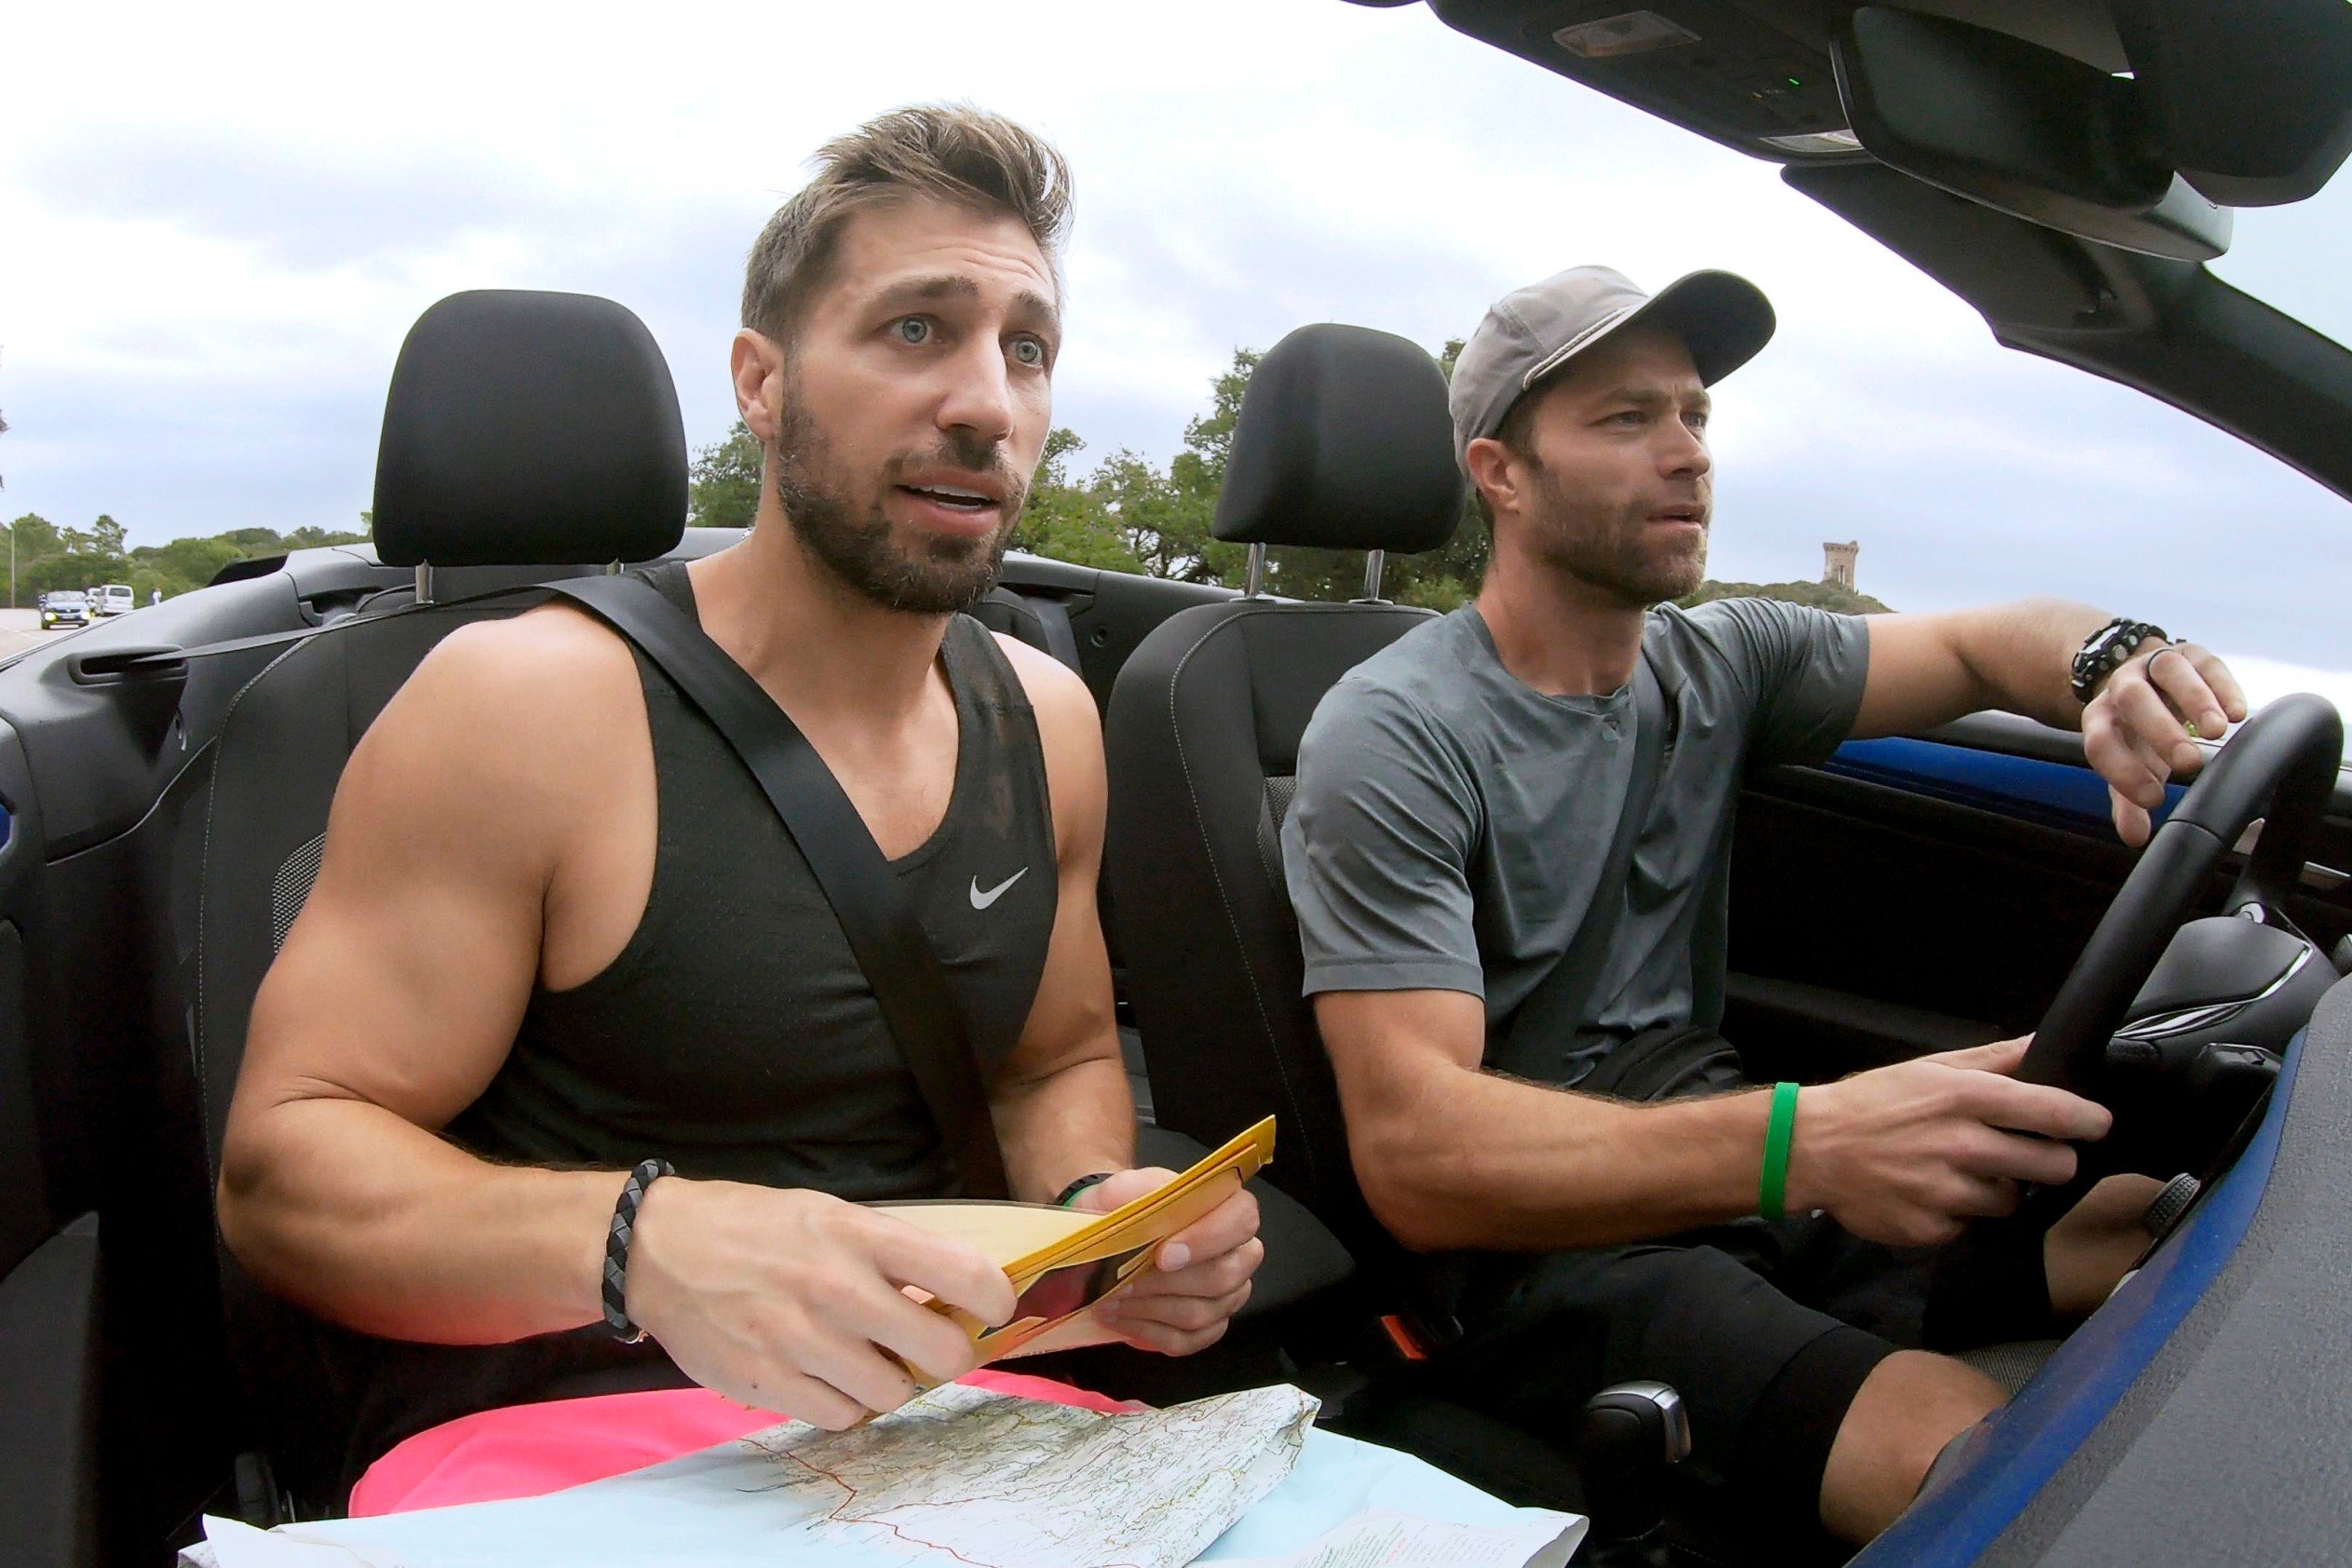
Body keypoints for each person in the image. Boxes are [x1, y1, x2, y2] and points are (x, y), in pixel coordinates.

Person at [218, 105, 1263, 1494]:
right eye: (913, 330)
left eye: (1026, 349)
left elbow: (1051, 1062)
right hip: (578, 1435)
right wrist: (643, 1245)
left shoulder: (1048, 719)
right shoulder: (524, 706)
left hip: (957, 1416)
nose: (984, 402)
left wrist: (1087, 1219)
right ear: (760, 384)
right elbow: (280, 1178)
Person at [1281, 265, 2248, 1545]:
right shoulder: (1395, 733)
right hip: (1546, 1254)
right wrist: (1814, 1142)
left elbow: (1978, 643)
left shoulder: (1718, 659)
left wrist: (2108, 662)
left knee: (2177, 1244)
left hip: (1739, 1168)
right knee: (2009, 1470)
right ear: (1498, 472)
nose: (1684, 454)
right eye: (1625, 420)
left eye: (1693, 416)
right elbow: (1417, 1156)